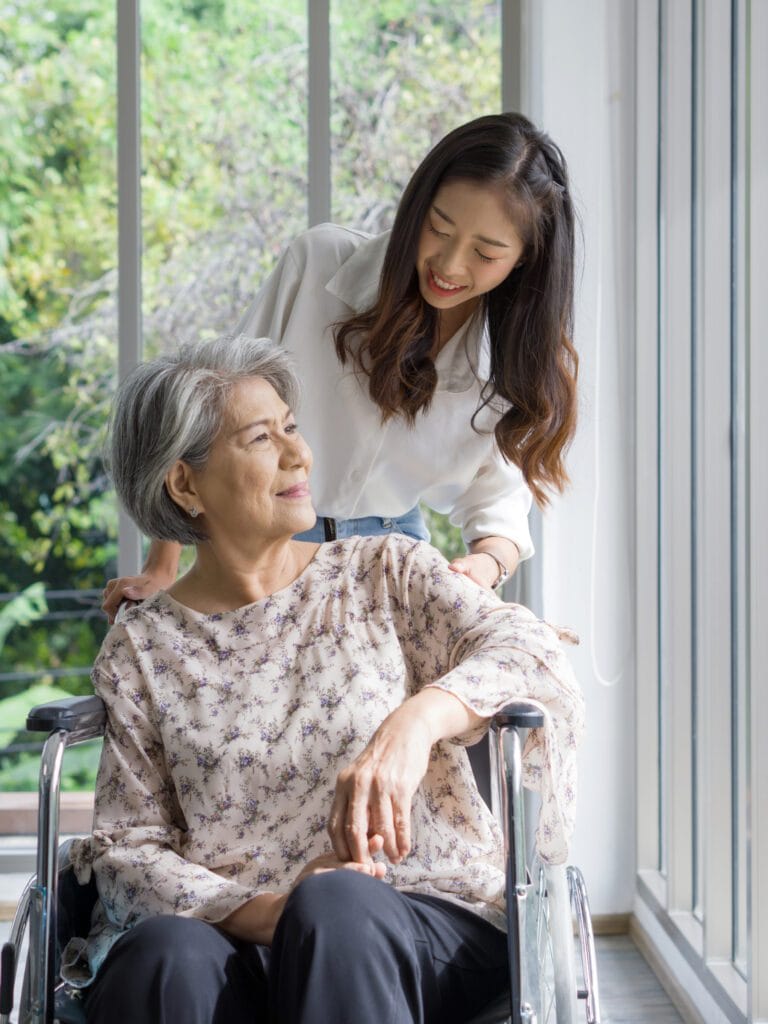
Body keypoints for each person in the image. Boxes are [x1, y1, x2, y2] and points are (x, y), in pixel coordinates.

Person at [68, 336, 584, 1024]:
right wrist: (265, 913)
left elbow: (531, 651)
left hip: (415, 922)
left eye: (291, 426)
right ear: (184, 484)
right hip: (238, 938)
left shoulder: (385, 573)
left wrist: (417, 722)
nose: (299, 454)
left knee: (334, 906)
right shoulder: (143, 648)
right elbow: (128, 851)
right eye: (261, 437)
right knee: (165, 955)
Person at [102, 111, 577, 622]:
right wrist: (162, 564)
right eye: (438, 227)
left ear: (524, 259)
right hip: (266, 547)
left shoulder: (505, 366)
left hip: (393, 561)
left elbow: (499, 512)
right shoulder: (319, 265)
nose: (450, 264)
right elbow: (209, 408)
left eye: (486, 253)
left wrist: (482, 567)